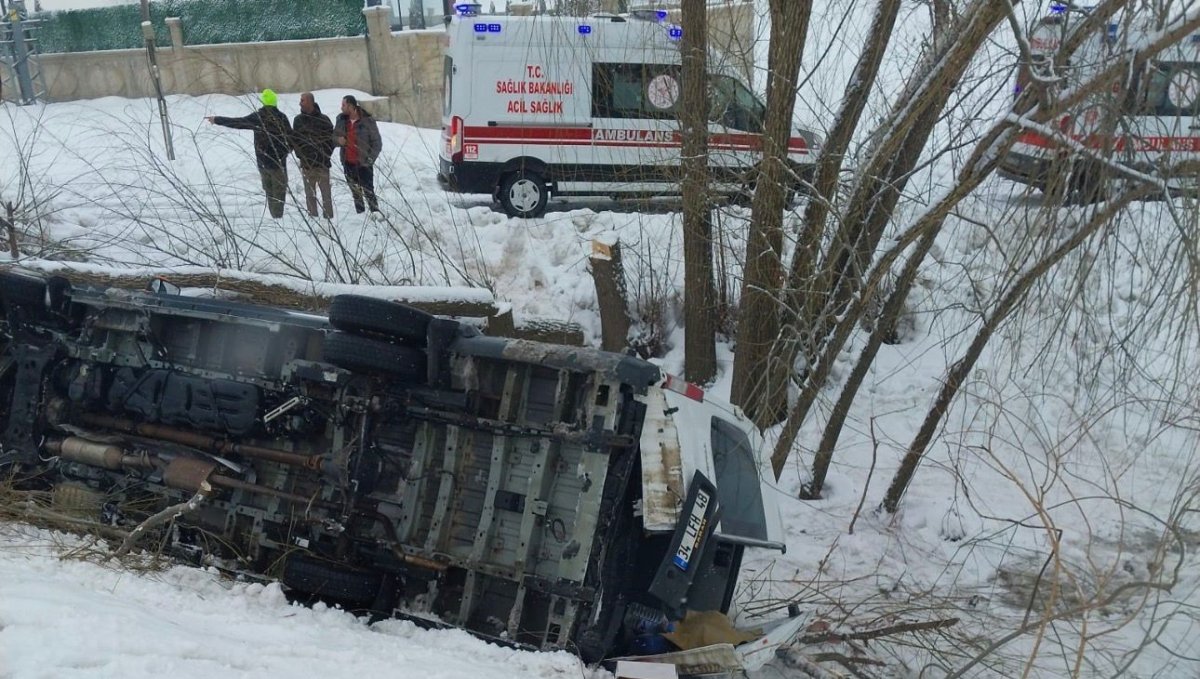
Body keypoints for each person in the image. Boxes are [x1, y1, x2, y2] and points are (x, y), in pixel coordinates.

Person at [206, 88, 292, 219]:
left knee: (269, 192)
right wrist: (285, 152)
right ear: (275, 102)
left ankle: (275, 217)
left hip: (263, 163)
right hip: (279, 164)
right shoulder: (281, 118)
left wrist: (217, 119)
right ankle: (278, 217)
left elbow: (237, 122)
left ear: (263, 102)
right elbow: (290, 139)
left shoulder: (257, 117)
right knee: (279, 193)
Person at [333, 95, 382, 216]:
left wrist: (369, 160)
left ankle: (375, 216)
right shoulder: (341, 120)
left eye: (344, 105)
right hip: (348, 163)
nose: (341, 107)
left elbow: (377, 143)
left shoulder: (367, 121)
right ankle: (361, 215)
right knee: (356, 193)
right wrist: (338, 140)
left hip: (364, 164)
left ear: (351, 106)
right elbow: (333, 137)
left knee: (369, 192)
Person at [291, 92, 336, 219]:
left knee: (326, 195)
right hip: (307, 166)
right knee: (310, 195)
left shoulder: (324, 120)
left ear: (310, 102)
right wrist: (302, 157)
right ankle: (313, 219)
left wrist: (325, 155)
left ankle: (329, 220)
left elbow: (330, 141)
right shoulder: (298, 120)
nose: (300, 103)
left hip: (322, 165)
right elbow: (295, 141)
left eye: (302, 100)